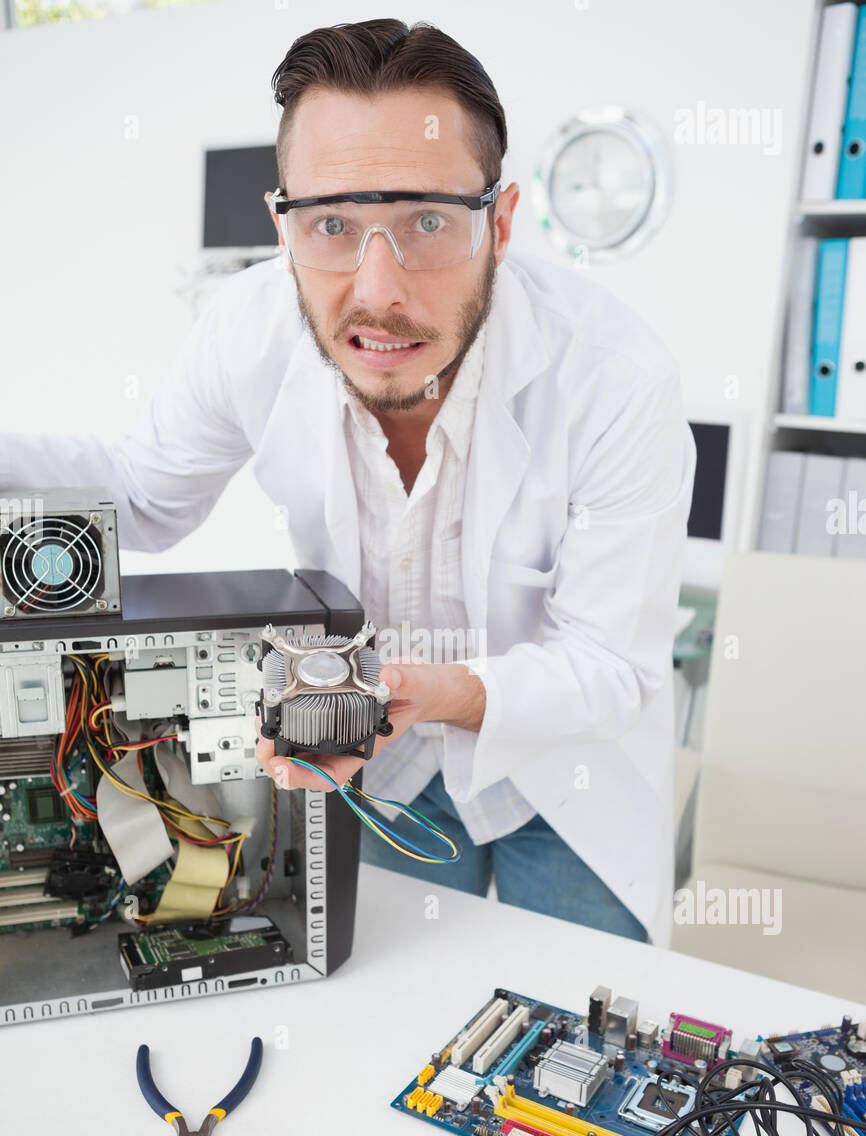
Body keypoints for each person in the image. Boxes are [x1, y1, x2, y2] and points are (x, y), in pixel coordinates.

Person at [0, 19, 695, 944]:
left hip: (567, 774)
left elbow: (610, 666)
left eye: (427, 223)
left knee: (576, 1033)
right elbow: (141, 499)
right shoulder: (246, 329)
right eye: (332, 224)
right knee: (391, 1017)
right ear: (279, 222)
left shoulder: (614, 376)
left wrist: (423, 689)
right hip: (383, 767)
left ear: (503, 220)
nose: (380, 290)